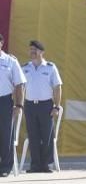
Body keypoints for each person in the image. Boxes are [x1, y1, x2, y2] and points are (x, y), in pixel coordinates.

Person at [21, 40, 63, 173]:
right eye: (31, 49)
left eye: (35, 50)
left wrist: (56, 106)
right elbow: (20, 87)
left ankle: (46, 165)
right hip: (30, 105)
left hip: (46, 105)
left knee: (47, 136)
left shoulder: (50, 67)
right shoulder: (25, 68)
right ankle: (35, 165)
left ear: (42, 52)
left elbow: (57, 87)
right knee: (33, 135)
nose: (32, 52)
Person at [0, 33, 26, 178]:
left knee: (5, 134)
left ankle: (4, 167)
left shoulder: (10, 61)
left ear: (1, 43)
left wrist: (19, 105)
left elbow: (19, 84)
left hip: (4, 101)